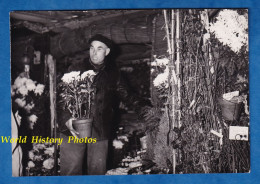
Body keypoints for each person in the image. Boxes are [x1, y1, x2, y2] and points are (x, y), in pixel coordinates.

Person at [59, 34, 149, 175]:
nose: (94, 52)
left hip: (100, 130)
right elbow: (61, 97)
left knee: (97, 172)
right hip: (73, 129)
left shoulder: (114, 74)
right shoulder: (75, 68)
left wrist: (148, 111)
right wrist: (67, 119)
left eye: (99, 49)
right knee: (70, 172)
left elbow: (129, 97)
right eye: (92, 48)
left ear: (107, 52)